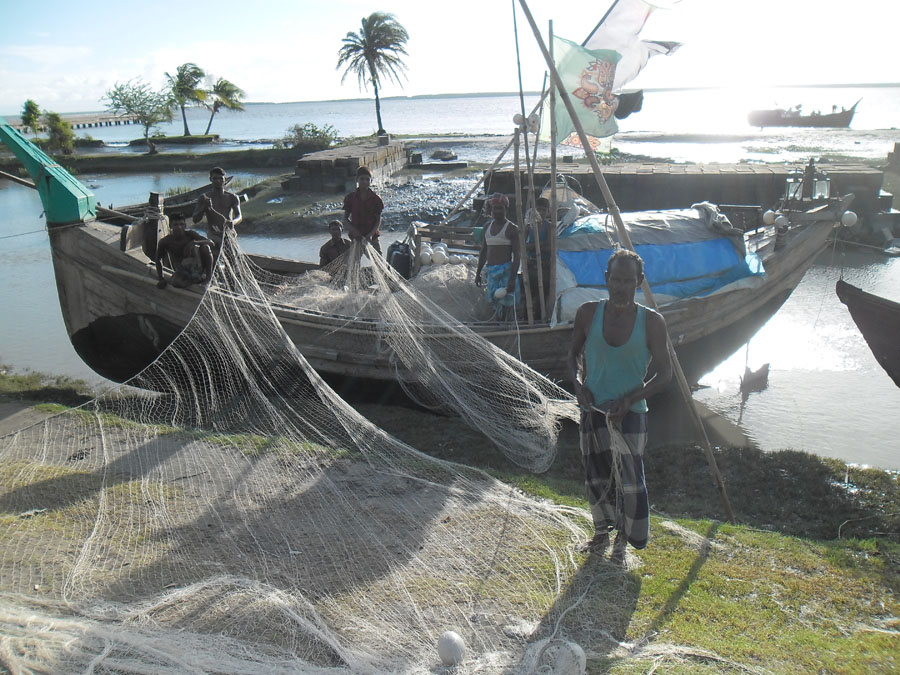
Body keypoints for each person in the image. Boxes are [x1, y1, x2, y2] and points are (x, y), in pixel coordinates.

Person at [567, 248, 672, 561]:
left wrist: (629, 400)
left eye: (629, 280)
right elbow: (571, 356)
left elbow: (665, 374)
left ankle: (624, 541)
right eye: (616, 279)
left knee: (630, 481)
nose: (621, 286)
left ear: (639, 282)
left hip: (630, 414)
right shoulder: (587, 313)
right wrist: (577, 386)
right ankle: (600, 534)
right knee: (596, 474)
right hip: (594, 410)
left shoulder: (652, 322)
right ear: (606, 279)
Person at [474, 192, 521, 319]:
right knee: (494, 303)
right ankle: (499, 324)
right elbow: (483, 252)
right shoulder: (487, 228)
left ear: (506, 209)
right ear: (491, 210)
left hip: (506, 272)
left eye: (501, 208)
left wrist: (512, 278)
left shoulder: (511, 228)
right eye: (495, 208)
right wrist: (478, 273)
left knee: (508, 304)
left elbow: (517, 255)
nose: (497, 211)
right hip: (492, 272)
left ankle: (507, 327)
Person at [191, 166, 242, 255]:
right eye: (215, 178)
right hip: (213, 235)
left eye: (220, 178)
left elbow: (239, 216)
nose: (217, 181)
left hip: (229, 233)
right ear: (210, 179)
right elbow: (195, 219)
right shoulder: (204, 198)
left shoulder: (232, 197)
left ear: (224, 180)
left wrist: (233, 222)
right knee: (214, 254)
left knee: (233, 255)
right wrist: (204, 207)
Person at [155, 214, 214, 289]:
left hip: (196, 266)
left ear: (185, 226)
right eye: (175, 225)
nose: (179, 227)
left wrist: (195, 242)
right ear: (171, 226)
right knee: (176, 283)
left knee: (205, 247)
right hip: (182, 270)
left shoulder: (190, 234)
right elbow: (158, 259)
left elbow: (211, 243)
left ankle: (208, 279)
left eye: (181, 224)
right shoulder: (165, 241)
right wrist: (161, 278)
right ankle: (194, 280)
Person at [343, 166, 384, 255]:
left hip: (372, 237)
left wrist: (371, 234)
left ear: (371, 181)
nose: (364, 182)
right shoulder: (350, 198)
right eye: (362, 179)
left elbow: (378, 220)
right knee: (354, 263)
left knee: (379, 262)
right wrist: (354, 231)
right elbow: (345, 219)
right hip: (356, 237)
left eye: (367, 179)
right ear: (357, 180)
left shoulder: (376, 199)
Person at [525, 197, 553, 318]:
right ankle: (528, 317)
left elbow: (550, 247)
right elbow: (524, 245)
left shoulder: (549, 226)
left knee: (543, 293)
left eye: (543, 210)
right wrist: (539, 245)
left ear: (548, 212)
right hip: (531, 264)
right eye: (538, 210)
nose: (541, 213)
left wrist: (534, 246)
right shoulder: (529, 226)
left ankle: (541, 317)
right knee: (529, 293)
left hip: (544, 264)